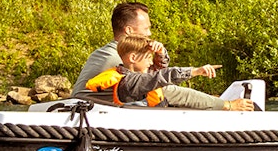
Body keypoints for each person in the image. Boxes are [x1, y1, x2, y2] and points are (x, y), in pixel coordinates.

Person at [82, 35, 253, 110]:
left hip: (156, 116)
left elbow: (157, 71)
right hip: (147, 129)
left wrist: (161, 52)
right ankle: (228, 105)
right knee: (171, 91)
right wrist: (195, 71)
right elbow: (161, 76)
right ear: (133, 57)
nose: (151, 61)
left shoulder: (135, 76)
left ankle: (221, 104)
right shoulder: (130, 83)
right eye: (148, 57)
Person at [73, 2, 169, 100]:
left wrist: (160, 53)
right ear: (128, 30)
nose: (149, 33)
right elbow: (153, 81)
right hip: (92, 112)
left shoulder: (103, 52)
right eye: (146, 28)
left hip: (77, 108)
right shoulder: (121, 59)